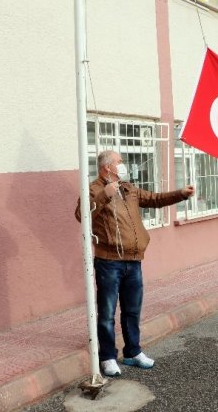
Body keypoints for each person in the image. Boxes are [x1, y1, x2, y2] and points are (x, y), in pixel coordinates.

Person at [75, 150, 194, 376]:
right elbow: (81, 215)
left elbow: (155, 199)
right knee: (107, 312)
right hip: (109, 263)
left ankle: (133, 352)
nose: (123, 165)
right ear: (107, 167)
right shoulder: (93, 189)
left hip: (134, 262)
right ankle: (108, 357)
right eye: (119, 161)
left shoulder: (127, 188)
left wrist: (181, 194)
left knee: (132, 310)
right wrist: (104, 195)